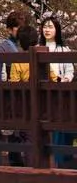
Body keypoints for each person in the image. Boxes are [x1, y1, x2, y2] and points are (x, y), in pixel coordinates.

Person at [40, 19, 74, 169]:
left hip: (60, 93)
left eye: (50, 27)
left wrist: (66, 79)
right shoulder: (38, 48)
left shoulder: (64, 49)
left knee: (60, 127)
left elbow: (70, 70)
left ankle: (61, 160)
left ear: (57, 30)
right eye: (44, 27)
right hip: (43, 94)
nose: (47, 30)